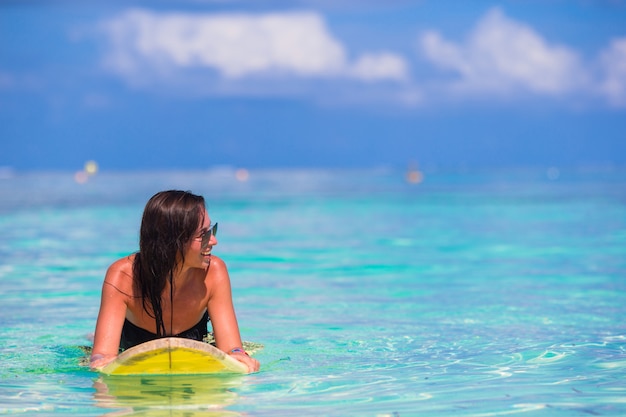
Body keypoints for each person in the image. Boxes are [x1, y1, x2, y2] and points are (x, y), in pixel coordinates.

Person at [90, 190, 259, 373]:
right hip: (132, 347)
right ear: (172, 242)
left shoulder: (214, 272)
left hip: (197, 344)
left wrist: (238, 354)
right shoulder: (123, 276)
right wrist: (100, 362)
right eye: (203, 234)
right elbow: (102, 357)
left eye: (211, 230)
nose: (213, 241)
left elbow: (232, 348)